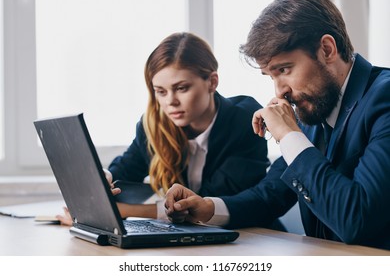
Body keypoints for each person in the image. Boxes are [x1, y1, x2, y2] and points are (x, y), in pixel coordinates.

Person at [165, 0, 390, 250]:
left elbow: (356, 219)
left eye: (284, 70)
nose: (280, 91)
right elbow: (268, 197)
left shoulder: (384, 98)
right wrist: (208, 208)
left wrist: (289, 135)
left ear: (327, 49)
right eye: (271, 75)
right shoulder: (317, 106)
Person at [57, 32, 272, 226]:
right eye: (160, 91)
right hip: (187, 242)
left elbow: (206, 202)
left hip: (249, 236)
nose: (171, 102)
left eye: (181, 88)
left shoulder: (245, 119)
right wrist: (104, 179)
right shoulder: (153, 125)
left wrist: (123, 210)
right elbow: (124, 171)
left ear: (212, 82)